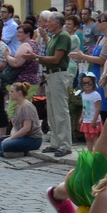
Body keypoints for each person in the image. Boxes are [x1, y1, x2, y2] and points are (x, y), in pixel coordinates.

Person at [39, 10, 77, 156]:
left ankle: (66, 144)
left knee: (60, 111)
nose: (46, 23)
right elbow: (52, 50)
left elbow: (56, 59)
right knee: (52, 112)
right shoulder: (55, 37)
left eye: (49, 21)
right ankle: (55, 142)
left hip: (58, 74)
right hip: (51, 76)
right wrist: (45, 38)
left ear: (57, 23)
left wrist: (36, 57)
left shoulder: (63, 36)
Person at [0, 82, 44, 157]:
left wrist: (11, 138)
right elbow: (15, 127)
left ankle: (5, 153)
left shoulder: (27, 106)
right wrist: (11, 137)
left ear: (19, 93)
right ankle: (10, 151)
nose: (9, 93)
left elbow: (26, 128)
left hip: (32, 139)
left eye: (12, 91)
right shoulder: (17, 106)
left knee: (6, 145)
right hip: (21, 137)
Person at [77, 72, 106, 144]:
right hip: (86, 120)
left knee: (94, 138)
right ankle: (90, 153)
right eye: (84, 83)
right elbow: (84, 107)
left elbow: (98, 108)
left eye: (89, 83)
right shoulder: (83, 94)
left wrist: (94, 120)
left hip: (93, 120)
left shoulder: (96, 95)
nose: (86, 85)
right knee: (88, 138)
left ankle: (95, 154)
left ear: (93, 83)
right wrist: (81, 117)